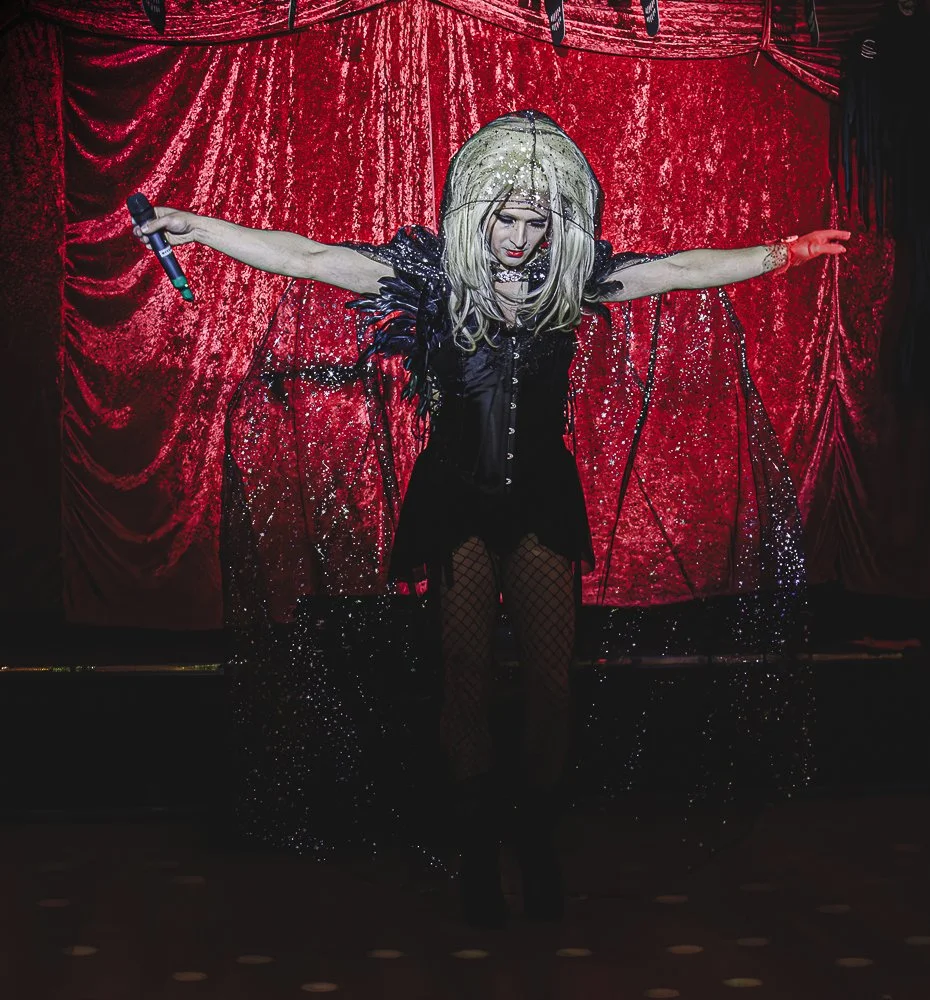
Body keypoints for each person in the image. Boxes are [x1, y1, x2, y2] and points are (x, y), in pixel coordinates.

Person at [133, 110, 849, 927]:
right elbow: (307, 256)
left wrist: (783, 253)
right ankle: (477, 846)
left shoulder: (571, 282)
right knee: (464, 676)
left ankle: (536, 839)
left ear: (558, 223)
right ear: (476, 212)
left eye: (534, 220)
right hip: (457, 500)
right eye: (504, 217)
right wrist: (200, 227)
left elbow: (679, 270)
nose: (516, 235)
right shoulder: (433, 276)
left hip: (542, 497)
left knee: (550, 683)